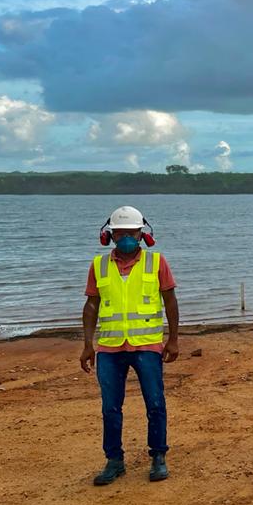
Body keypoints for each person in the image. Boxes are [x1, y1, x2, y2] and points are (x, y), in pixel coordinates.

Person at [79, 206, 179, 486]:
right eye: (119, 233)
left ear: (141, 234)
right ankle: (114, 461)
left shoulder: (157, 262)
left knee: (155, 403)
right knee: (110, 407)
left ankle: (158, 456)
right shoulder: (98, 266)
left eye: (131, 233)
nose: (125, 238)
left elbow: (170, 301)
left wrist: (173, 339)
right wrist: (88, 344)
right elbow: (91, 305)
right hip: (110, 348)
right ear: (109, 236)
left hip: (147, 345)